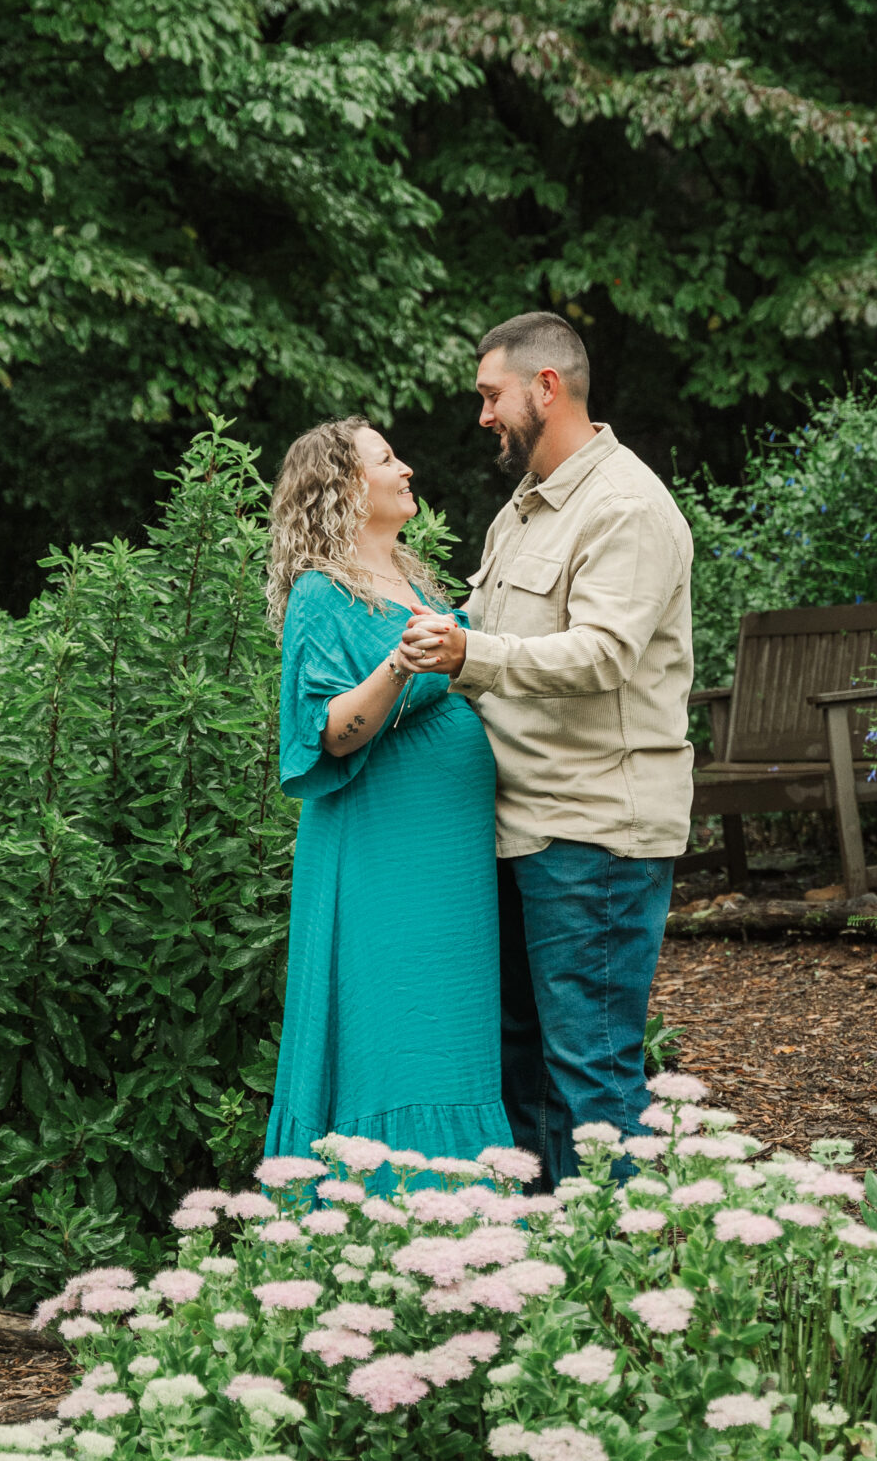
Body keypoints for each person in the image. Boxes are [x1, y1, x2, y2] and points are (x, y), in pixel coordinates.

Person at [400, 312, 694, 1188]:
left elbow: (602, 654)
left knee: (590, 1072)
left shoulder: (625, 507)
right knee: (521, 1068)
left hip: (592, 833)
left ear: (547, 386)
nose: (483, 414)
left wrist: (467, 654)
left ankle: (621, 1256)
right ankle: (538, 1254)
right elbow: (483, 628)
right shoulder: (523, 509)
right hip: (520, 827)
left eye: (491, 394)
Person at [260, 416, 513, 1169]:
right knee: (398, 1017)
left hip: (448, 851)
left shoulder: (416, 581)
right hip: (383, 846)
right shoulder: (321, 594)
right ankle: (392, 1197)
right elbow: (331, 732)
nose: (406, 469)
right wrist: (398, 665)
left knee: (452, 1016)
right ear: (342, 486)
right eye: (386, 458)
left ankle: (466, 1200)